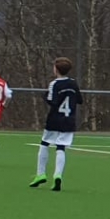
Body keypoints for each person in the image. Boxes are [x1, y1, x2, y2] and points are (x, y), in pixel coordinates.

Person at [31, 58, 82, 191]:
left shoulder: (54, 84)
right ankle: (57, 175)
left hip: (54, 119)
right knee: (61, 147)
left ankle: (40, 174)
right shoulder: (73, 83)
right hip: (69, 120)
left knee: (44, 143)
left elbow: (52, 101)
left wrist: (45, 96)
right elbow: (79, 100)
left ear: (56, 69)